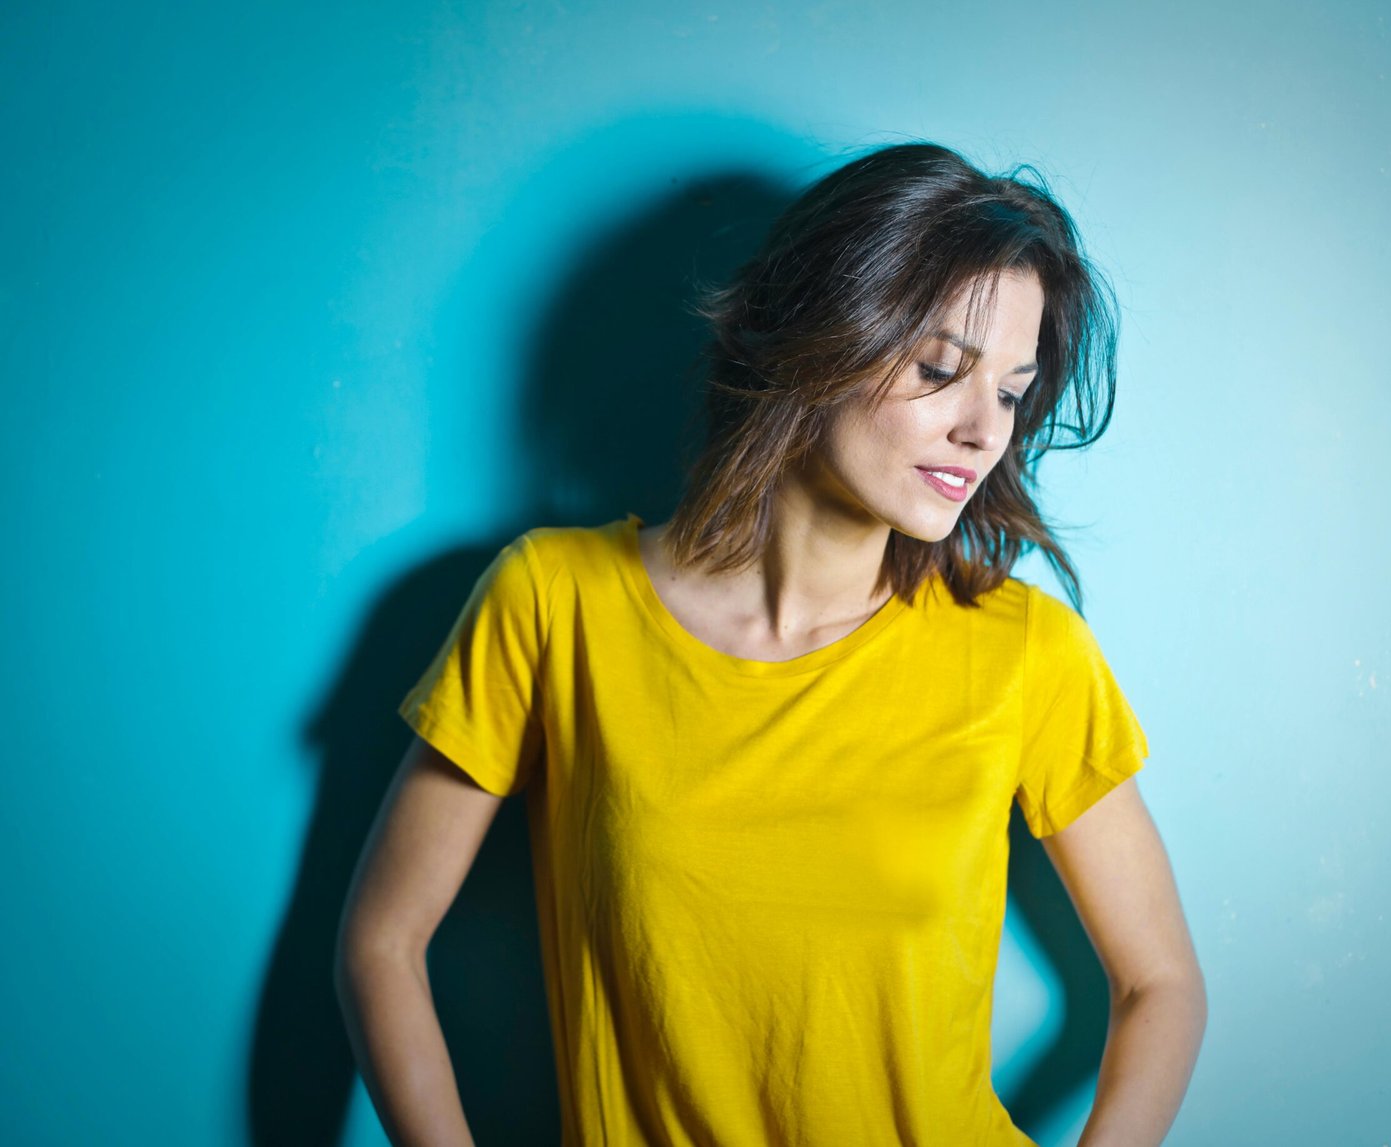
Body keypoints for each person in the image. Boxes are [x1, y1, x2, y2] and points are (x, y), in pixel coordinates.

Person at [334, 141, 1206, 1147]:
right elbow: (380, 940)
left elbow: (1163, 982)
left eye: (1010, 391)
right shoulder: (556, 604)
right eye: (939, 369)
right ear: (813, 335)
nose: (982, 429)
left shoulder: (1022, 652)